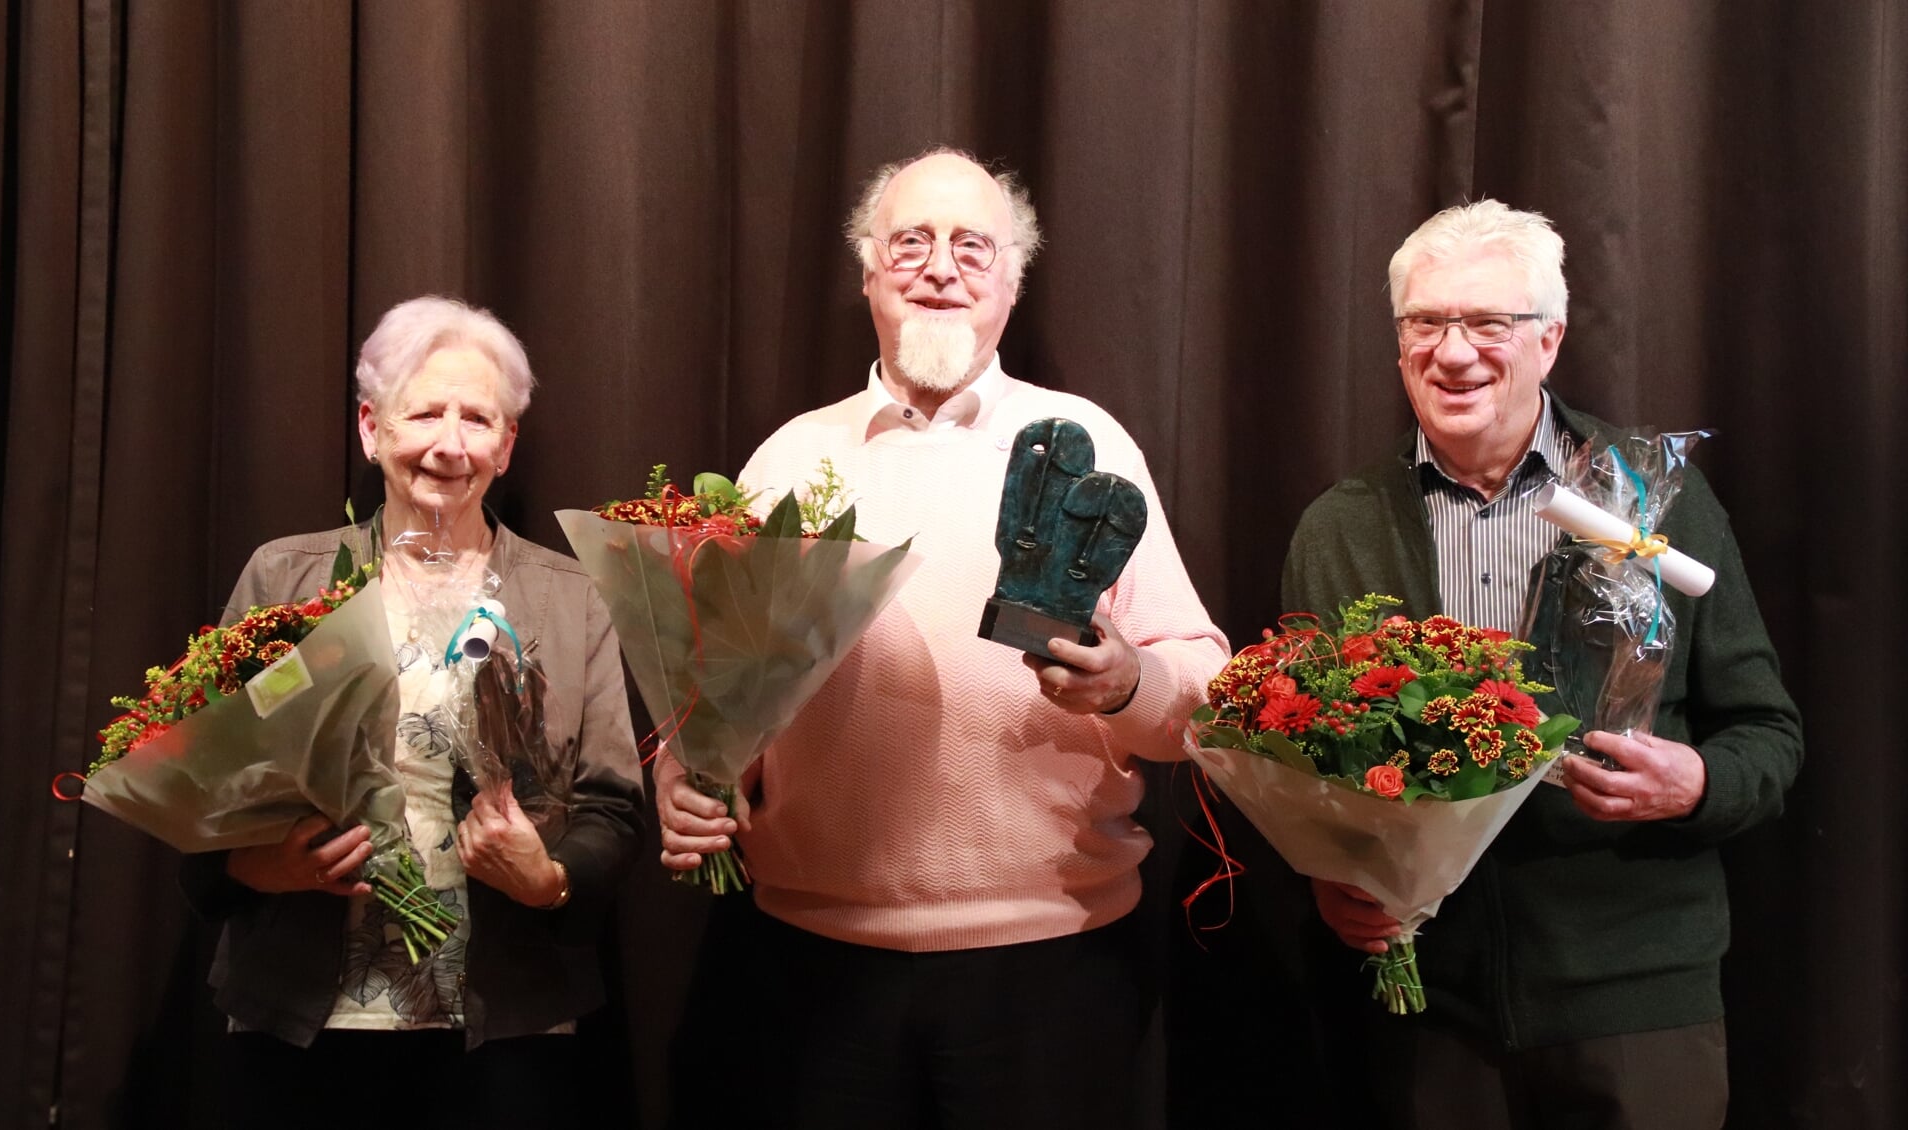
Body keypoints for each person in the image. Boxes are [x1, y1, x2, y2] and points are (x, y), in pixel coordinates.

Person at [656, 148, 1228, 1129]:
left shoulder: (1088, 440)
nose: (939, 266)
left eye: (973, 245)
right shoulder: (789, 454)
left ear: (1012, 277)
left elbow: (1206, 689)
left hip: (1053, 968)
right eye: (910, 241)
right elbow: (719, 694)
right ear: (868, 269)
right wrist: (684, 768)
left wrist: (1131, 679)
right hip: (810, 965)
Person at [1279, 200, 1803, 1128]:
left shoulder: (1651, 502)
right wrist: (1332, 877)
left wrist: (1698, 784)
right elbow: (1307, 756)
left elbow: (1768, 732)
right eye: (1426, 322)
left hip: (1637, 998)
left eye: (1489, 323)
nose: (1453, 351)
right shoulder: (1342, 526)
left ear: (1549, 340)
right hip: (1428, 1013)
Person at [178, 296, 644, 1129]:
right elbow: (198, 794)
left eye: (478, 418)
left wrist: (549, 880)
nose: (448, 443)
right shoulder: (283, 580)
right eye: (424, 412)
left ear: (506, 445)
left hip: (506, 1026)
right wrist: (260, 868)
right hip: (303, 1022)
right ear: (371, 428)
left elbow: (612, 802)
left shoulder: (572, 597)